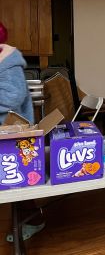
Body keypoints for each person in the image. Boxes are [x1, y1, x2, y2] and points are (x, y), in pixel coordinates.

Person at [0, 22, 45, 242]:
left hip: (13, 131)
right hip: (6, 132)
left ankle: (34, 220)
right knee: (11, 178)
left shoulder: (7, 64)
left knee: (17, 178)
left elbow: (12, 97)